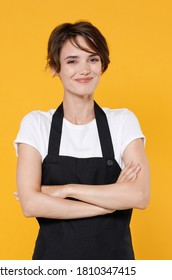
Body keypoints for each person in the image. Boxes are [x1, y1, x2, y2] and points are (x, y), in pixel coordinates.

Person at [14, 21, 150, 260]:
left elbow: (138, 196)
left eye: (93, 59)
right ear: (55, 68)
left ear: (102, 65)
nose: (84, 69)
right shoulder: (37, 124)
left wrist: (67, 190)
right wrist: (109, 203)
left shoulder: (122, 122)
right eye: (72, 61)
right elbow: (31, 204)